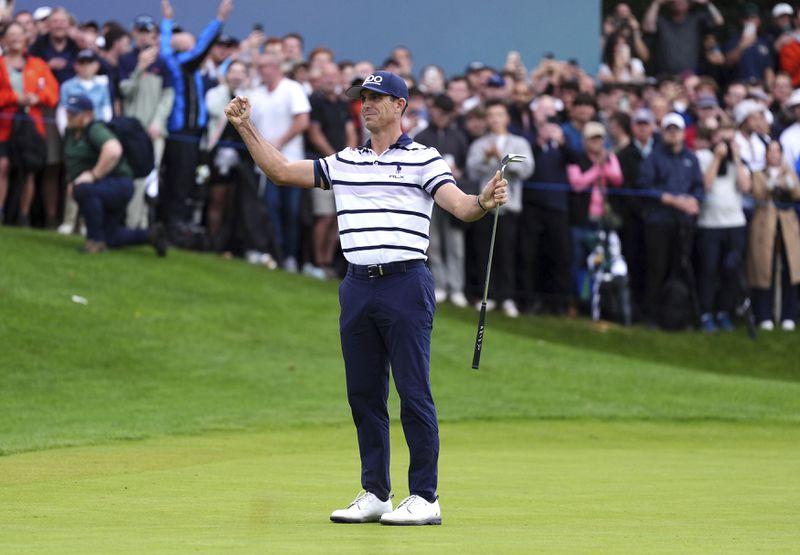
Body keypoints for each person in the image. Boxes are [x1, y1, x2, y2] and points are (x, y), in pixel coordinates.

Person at [224, 70, 508, 525]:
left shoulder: (424, 158)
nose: (366, 105)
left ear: (400, 105)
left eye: (376, 98)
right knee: (363, 394)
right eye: (362, 98)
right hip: (357, 286)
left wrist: (484, 199)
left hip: (405, 283)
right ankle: (376, 491)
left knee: (413, 391)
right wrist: (245, 127)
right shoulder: (345, 160)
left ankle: (425, 497)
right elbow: (278, 171)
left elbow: (460, 206)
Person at [63, 93, 166, 256]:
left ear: (88, 115)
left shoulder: (95, 129)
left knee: (84, 189)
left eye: (74, 113)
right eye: (68, 112)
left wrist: (93, 175)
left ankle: (94, 241)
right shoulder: (71, 132)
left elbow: (113, 150)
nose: (69, 116)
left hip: (118, 184)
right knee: (111, 236)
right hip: (108, 185)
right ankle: (151, 235)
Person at [467, 99, 534, 318]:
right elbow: (471, 169)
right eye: (491, 115)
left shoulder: (519, 143)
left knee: (507, 253)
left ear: (507, 118)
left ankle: (507, 297)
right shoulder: (480, 144)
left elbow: (527, 169)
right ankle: (489, 296)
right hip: (485, 206)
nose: (495, 119)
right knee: (484, 252)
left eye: (499, 114)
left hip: (509, 206)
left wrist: (500, 158)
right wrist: (487, 158)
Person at [638, 113, 704, 327]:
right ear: (663, 132)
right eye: (669, 130)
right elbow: (645, 187)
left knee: (681, 267)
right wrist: (671, 200)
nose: (673, 133)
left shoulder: (690, 158)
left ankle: (678, 315)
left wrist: (693, 200)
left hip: (684, 222)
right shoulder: (654, 157)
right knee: (657, 268)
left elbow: (698, 186)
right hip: (659, 221)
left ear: (683, 133)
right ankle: (652, 315)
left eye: (676, 130)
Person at [248, 51, 310, 271]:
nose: (261, 71)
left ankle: (292, 256)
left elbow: (302, 121)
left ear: (275, 67)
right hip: (265, 165)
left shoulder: (292, 88)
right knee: (270, 209)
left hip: (292, 162)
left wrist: (279, 142)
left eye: (265, 66)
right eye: (260, 67)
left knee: (291, 212)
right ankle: (277, 253)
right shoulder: (255, 94)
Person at [415, 93, 471, 307]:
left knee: (455, 245)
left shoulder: (458, 137)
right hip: (428, 199)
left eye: (444, 112)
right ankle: (439, 285)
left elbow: (467, 167)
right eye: (437, 110)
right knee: (434, 244)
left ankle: (457, 288)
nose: (440, 115)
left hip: (455, 197)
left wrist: (459, 172)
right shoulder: (421, 136)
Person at [0, 21, 58, 227]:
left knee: (29, 170)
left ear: (26, 38)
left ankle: (23, 216)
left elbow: (53, 93)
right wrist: (12, 97)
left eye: (19, 34)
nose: (15, 38)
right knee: (3, 166)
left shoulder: (38, 65)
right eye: (11, 34)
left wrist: (37, 97)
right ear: (3, 40)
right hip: (5, 126)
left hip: (32, 126)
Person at [694, 123, 751, 333]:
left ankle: (724, 311)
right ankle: (706, 312)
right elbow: (706, 185)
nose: (726, 144)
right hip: (710, 223)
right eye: (722, 139)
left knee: (731, 269)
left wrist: (735, 158)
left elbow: (746, 187)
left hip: (735, 222)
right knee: (709, 269)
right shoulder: (703, 157)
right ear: (713, 140)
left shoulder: (739, 161)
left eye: (730, 139)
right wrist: (717, 158)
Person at [305, 60, 357, 277]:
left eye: (333, 76)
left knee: (337, 218)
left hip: (342, 166)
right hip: (321, 165)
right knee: (324, 216)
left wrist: (347, 157)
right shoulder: (314, 100)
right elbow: (314, 133)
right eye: (326, 76)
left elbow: (351, 132)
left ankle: (326, 263)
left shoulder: (341, 103)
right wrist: (334, 158)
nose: (330, 80)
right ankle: (317, 263)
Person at [747, 141, 800, 330]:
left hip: (787, 227)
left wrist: (785, 180)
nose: (774, 155)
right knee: (763, 271)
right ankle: (764, 315)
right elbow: (759, 193)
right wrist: (772, 182)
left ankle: (788, 315)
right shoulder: (759, 173)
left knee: (790, 270)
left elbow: (796, 192)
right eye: (771, 151)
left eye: (777, 151)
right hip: (765, 227)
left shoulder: (789, 172)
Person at [643, 0, 724, 76]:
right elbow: (647, 28)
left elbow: (718, 21)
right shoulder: (662, 21)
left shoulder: (697, 19)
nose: (679, 2)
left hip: (691, 74)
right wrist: (656, 3)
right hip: (664, 74)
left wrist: (707, 3)